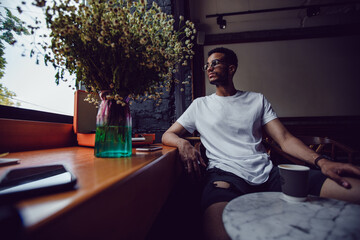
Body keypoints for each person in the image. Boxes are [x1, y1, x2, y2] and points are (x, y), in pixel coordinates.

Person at [162, 47, 360, 240]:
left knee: (352, 189)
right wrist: (182, 143)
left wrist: (322, 162)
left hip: (269, 174)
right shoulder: (200, 105)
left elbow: (285, 139)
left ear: (231, 68)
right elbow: (169, 134)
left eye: (215, 63)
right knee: (218, 232)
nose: (209, 68)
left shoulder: (257, 100)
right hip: (225, 176)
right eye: (207, 65)